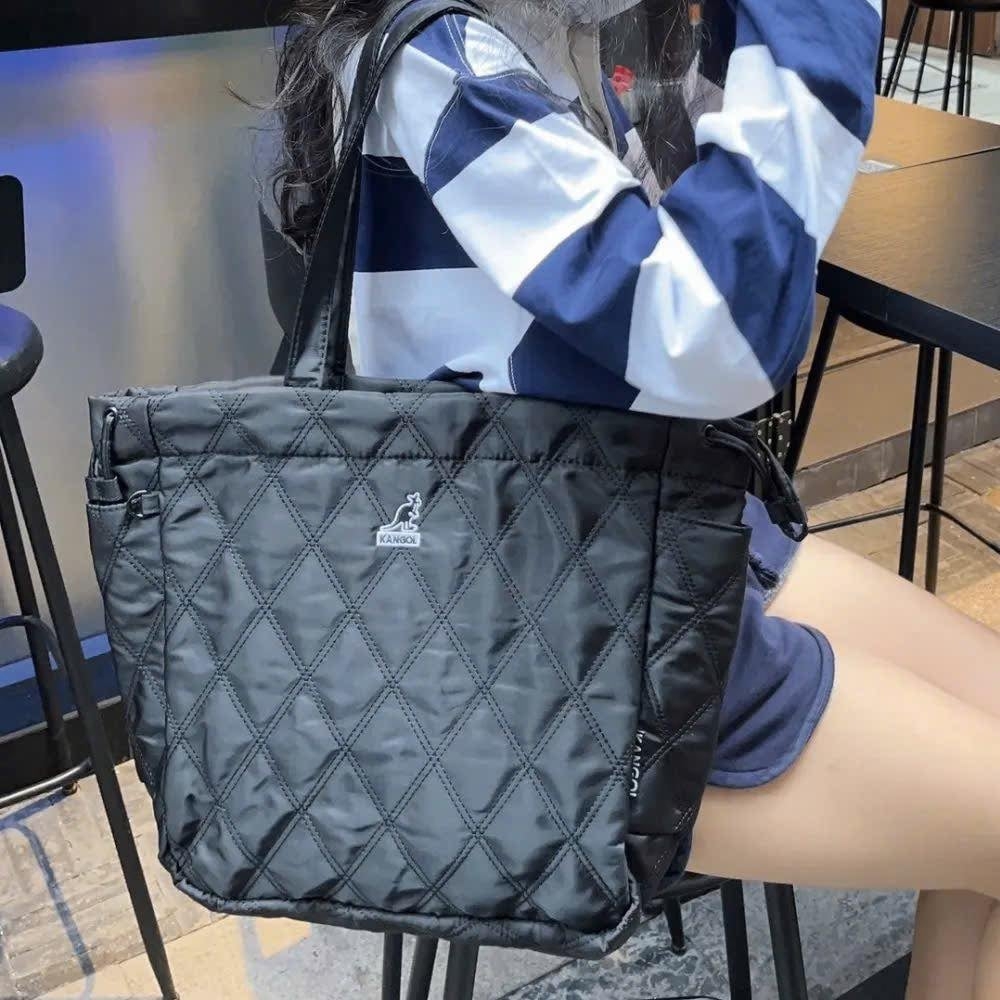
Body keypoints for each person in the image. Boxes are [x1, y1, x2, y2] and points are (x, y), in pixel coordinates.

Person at [265, 1, 1000, 995]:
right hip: (560, 648)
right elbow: (719, 334)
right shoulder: (440, 62)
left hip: (636, 546)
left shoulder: (547, 34)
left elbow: (714, 278)